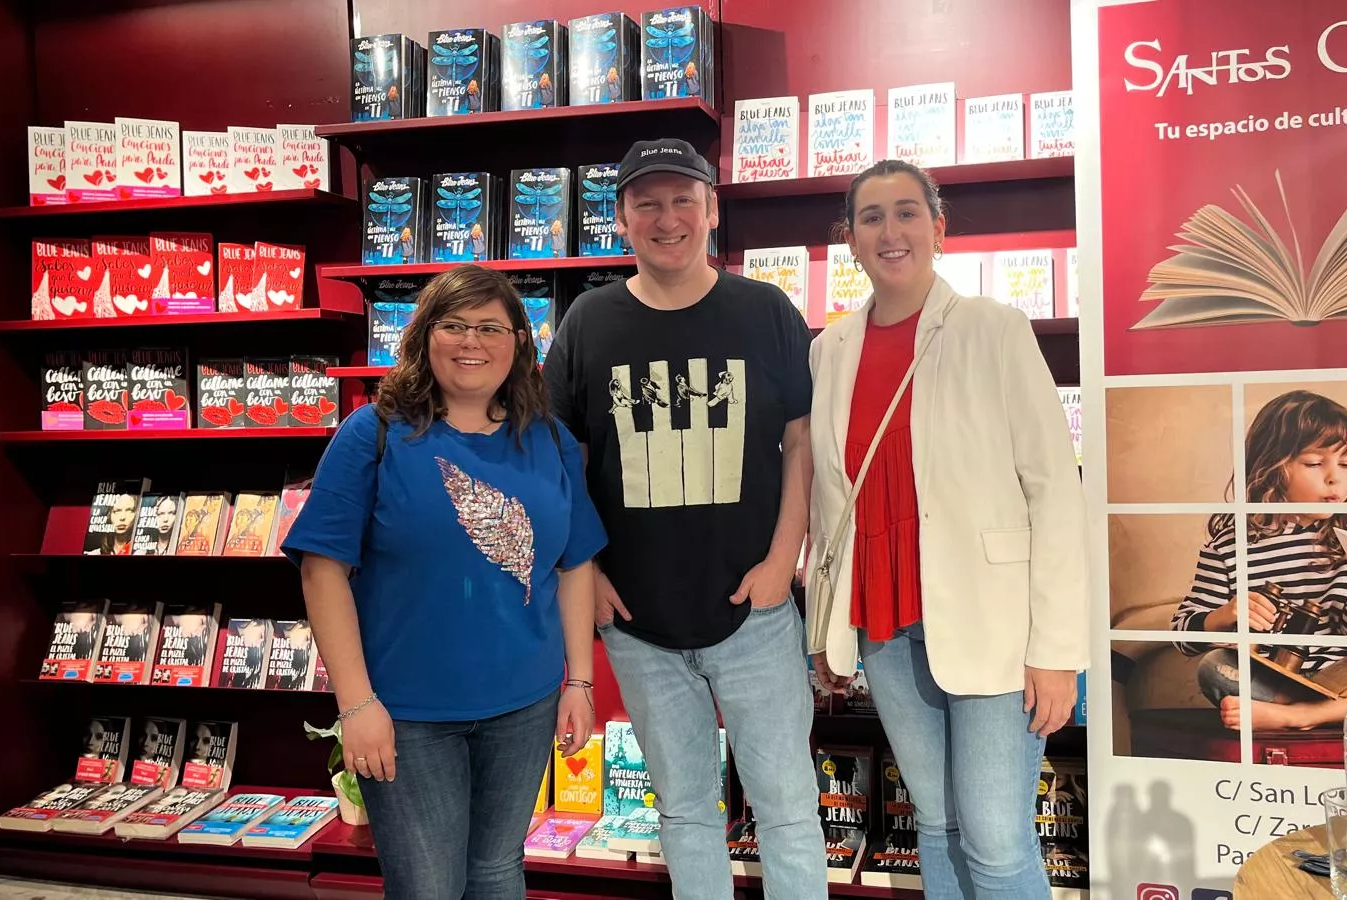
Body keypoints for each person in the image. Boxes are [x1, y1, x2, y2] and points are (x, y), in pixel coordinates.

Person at [543, 138, 826, 898]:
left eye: (681, 200)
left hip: (757, 613)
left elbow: (801, 443)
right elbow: (554, 458)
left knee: (789, 809)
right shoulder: (587, 323)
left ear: (710, 210)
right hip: (636, 621)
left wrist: (782, 561)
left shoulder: (766, 311)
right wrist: (589, 570)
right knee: (686, 810)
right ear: (622, 219)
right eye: (646, 203)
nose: (666, 218)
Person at [805, 159, 1089, 900]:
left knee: (996, 841)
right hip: (884, 624)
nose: (889, 231)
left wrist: (1056, 653)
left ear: (938, 227)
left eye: (906, 213)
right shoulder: (829, 350)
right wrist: (824, 629)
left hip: (991, 623)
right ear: (850, 239)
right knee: (936, 822)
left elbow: (1054, 491)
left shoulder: (994, 328)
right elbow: (828, 502)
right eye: (871, 217)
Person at [282, 264, 606, 900]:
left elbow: (573, 566)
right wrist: (356, 705)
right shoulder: (371, 435)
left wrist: (580, 682)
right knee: (426, 887)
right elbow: (322, 571)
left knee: (495, 871)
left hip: (525, 703)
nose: (470, 341)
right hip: (406, 713)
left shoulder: (550, 441)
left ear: (519, 341)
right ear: (424, 336)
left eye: (490, 327)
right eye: (453, 324)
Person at [1171, 389, 1347, 731]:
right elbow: (1182, 635)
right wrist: (1225, 616)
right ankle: (1319, 711)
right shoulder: (1229, 544)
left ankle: (1302, 716)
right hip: (1277, 683)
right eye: (1315, 463)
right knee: (1214, 666)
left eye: (1346, 464)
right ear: (1271, 466)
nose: (1335, 478)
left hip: (1342, 679)